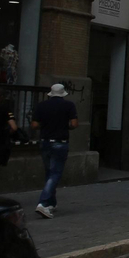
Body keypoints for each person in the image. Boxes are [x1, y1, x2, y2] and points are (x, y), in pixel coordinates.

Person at [30, 83, 78, 219]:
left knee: (49, 172)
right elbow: (74, 124)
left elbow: (34, 125)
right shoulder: (69, 105)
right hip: (60, 142)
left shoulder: (41, 105)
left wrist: (45, 126)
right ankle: (43, 203)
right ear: (63, 94)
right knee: (55, 173)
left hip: (45, 141)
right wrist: (65, 126)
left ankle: (52, 202)